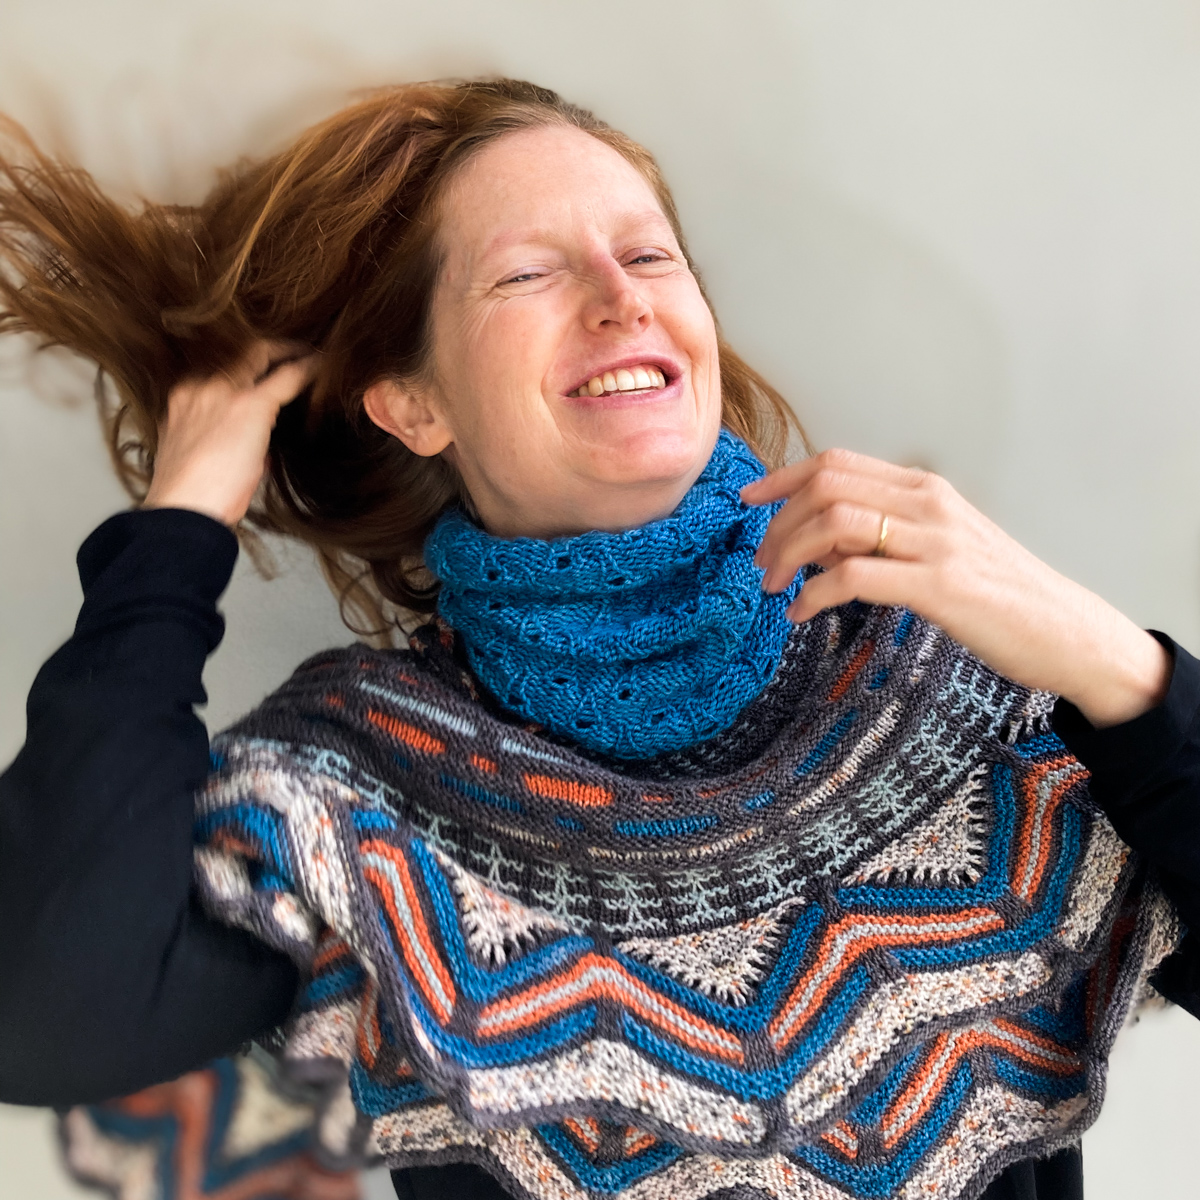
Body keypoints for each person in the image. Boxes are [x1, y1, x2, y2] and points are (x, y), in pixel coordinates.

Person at [2, 78, 1200, 1200]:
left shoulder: (950, 661)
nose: (622, 298)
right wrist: (176, 529)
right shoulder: (362, 792)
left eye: (647, 253)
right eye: (528, 274)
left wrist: (1116, 666)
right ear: (412, 401)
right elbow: (46, 1009)